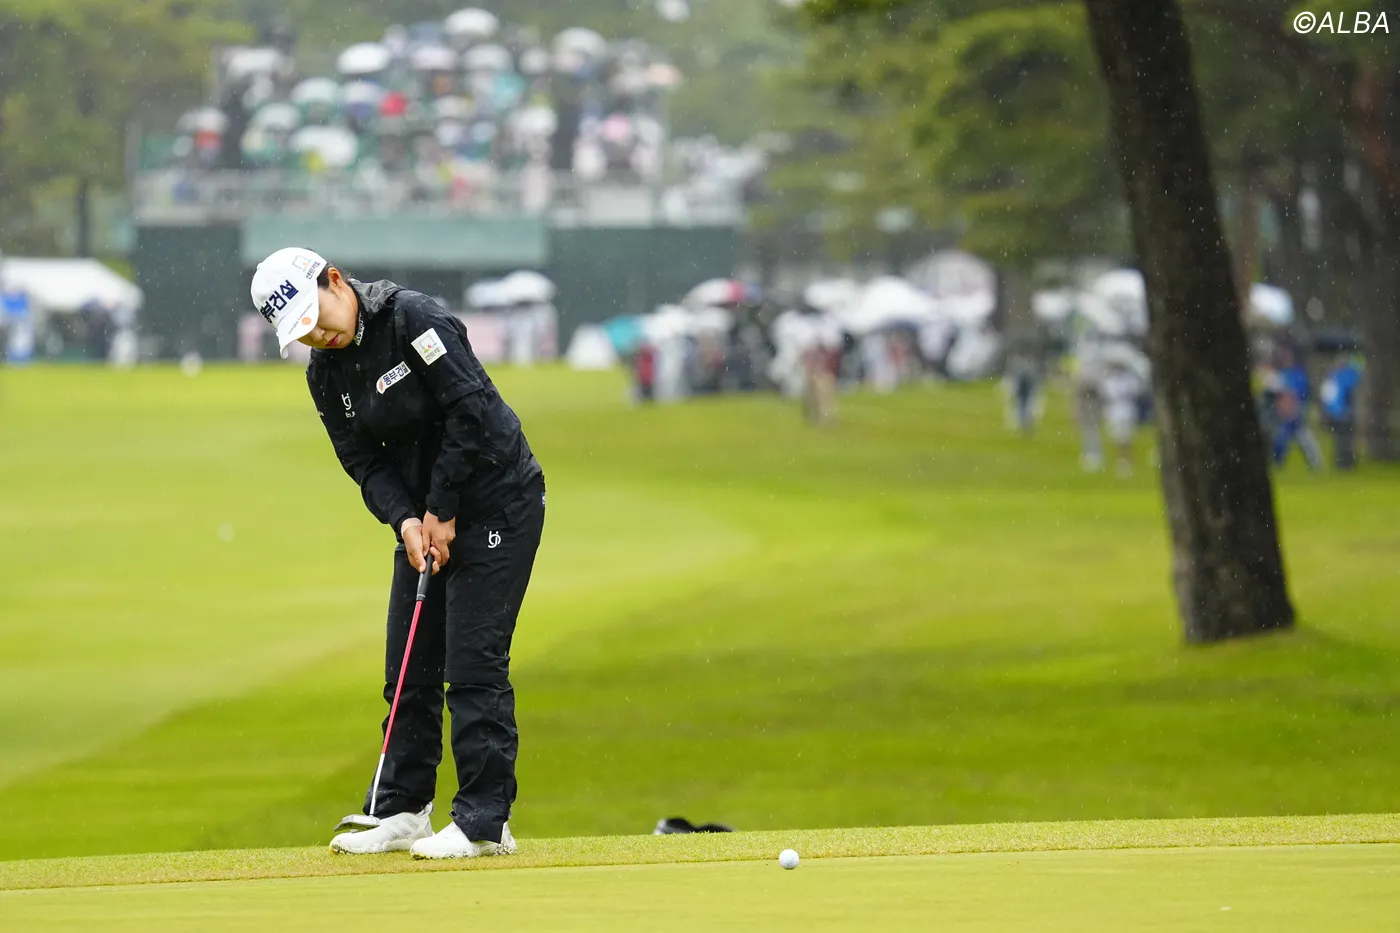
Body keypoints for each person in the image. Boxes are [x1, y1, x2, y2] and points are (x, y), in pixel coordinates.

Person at [250, 247, 545, 860]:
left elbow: (469, 410)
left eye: (316, 317)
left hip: (498, 500)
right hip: (427, 517)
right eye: (301, 331)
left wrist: (441, 508)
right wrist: (407, 519)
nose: (317, 335)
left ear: (335, 281)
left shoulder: (413, 319)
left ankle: (485, 822)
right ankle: (402, 810)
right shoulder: (324, 375)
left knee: (474, 665)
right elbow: (361, 460)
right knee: (409, 670)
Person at [1271, 345, 1323, 471]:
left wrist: (1294, 404)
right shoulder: (1281, 374)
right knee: (1281, 439)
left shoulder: (1298, 374)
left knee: (1304, 438)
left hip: (1297, 411)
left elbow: (1302, 393)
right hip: (1285, 414)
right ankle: (1278, 463)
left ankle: (1316, 465)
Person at [1320, 355, 1363, 471]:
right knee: (1345, 440)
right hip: (1343, 413)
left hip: (1337, 413)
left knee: (1341, 439)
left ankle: (1342, 462)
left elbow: (1327, 397)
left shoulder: (1333, 377)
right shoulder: (1345, 376)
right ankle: (1345, 463)